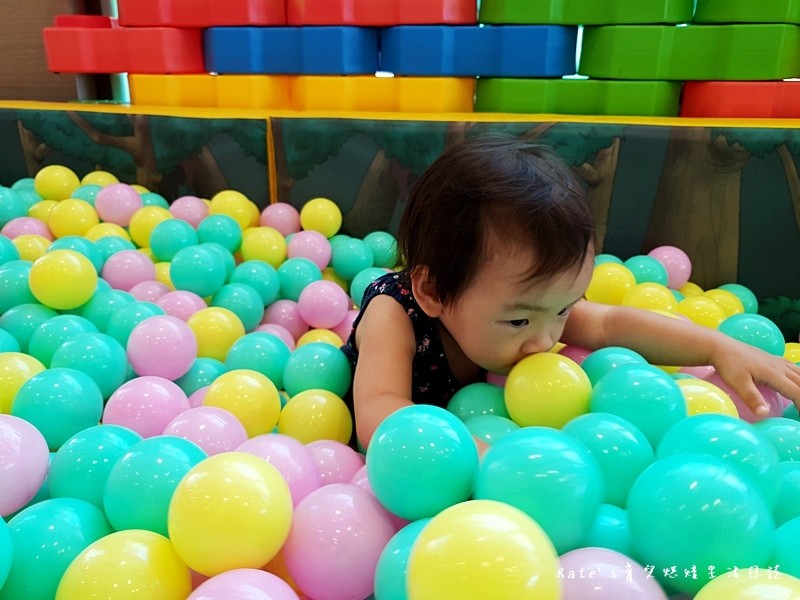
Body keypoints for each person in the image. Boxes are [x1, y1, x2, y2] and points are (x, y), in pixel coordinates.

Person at [341, 134, 800, 451]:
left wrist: (718, 347)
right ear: (434, 291)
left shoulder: (535, 308)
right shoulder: (395, 315)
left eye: (563, 310)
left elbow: (610, 323)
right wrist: (480, 457)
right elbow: (379, 412)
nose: (545, 340)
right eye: (518, 321)